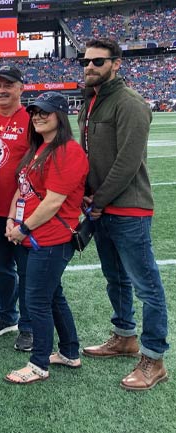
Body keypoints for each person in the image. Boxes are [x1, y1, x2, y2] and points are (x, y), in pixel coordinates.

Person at [78, 38, 169, 391]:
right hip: (101, 208)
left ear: (116, 64)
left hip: (128, 208)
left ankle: (153, 358)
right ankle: (124, 336)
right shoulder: (92, 101)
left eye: (98, 62)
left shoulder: (129, 103)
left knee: (147, 287)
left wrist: (97, 199)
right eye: (85, 61)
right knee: (115, 279)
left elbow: (127, 163)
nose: (89, 67)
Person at [4, 91, 87, 384]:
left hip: (50, 238)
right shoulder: (40, 147)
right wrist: (12, 219)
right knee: (52, 296)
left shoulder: (67, 151)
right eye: (35, 111)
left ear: (60, 116)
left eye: (45, 111)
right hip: (34, 235)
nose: (38, 116)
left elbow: (53, 201)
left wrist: (23, 227)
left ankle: (39, 363)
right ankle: (69, 352)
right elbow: (24, 188)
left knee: (37, 300)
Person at [0, 66, 33, 351]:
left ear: (21, 88)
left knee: (26, 270)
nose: (1, 90)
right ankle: (7, 316)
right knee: (1, 268)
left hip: (23, 212)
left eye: (8, 85)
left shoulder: (33, 120)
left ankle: (28, 324)